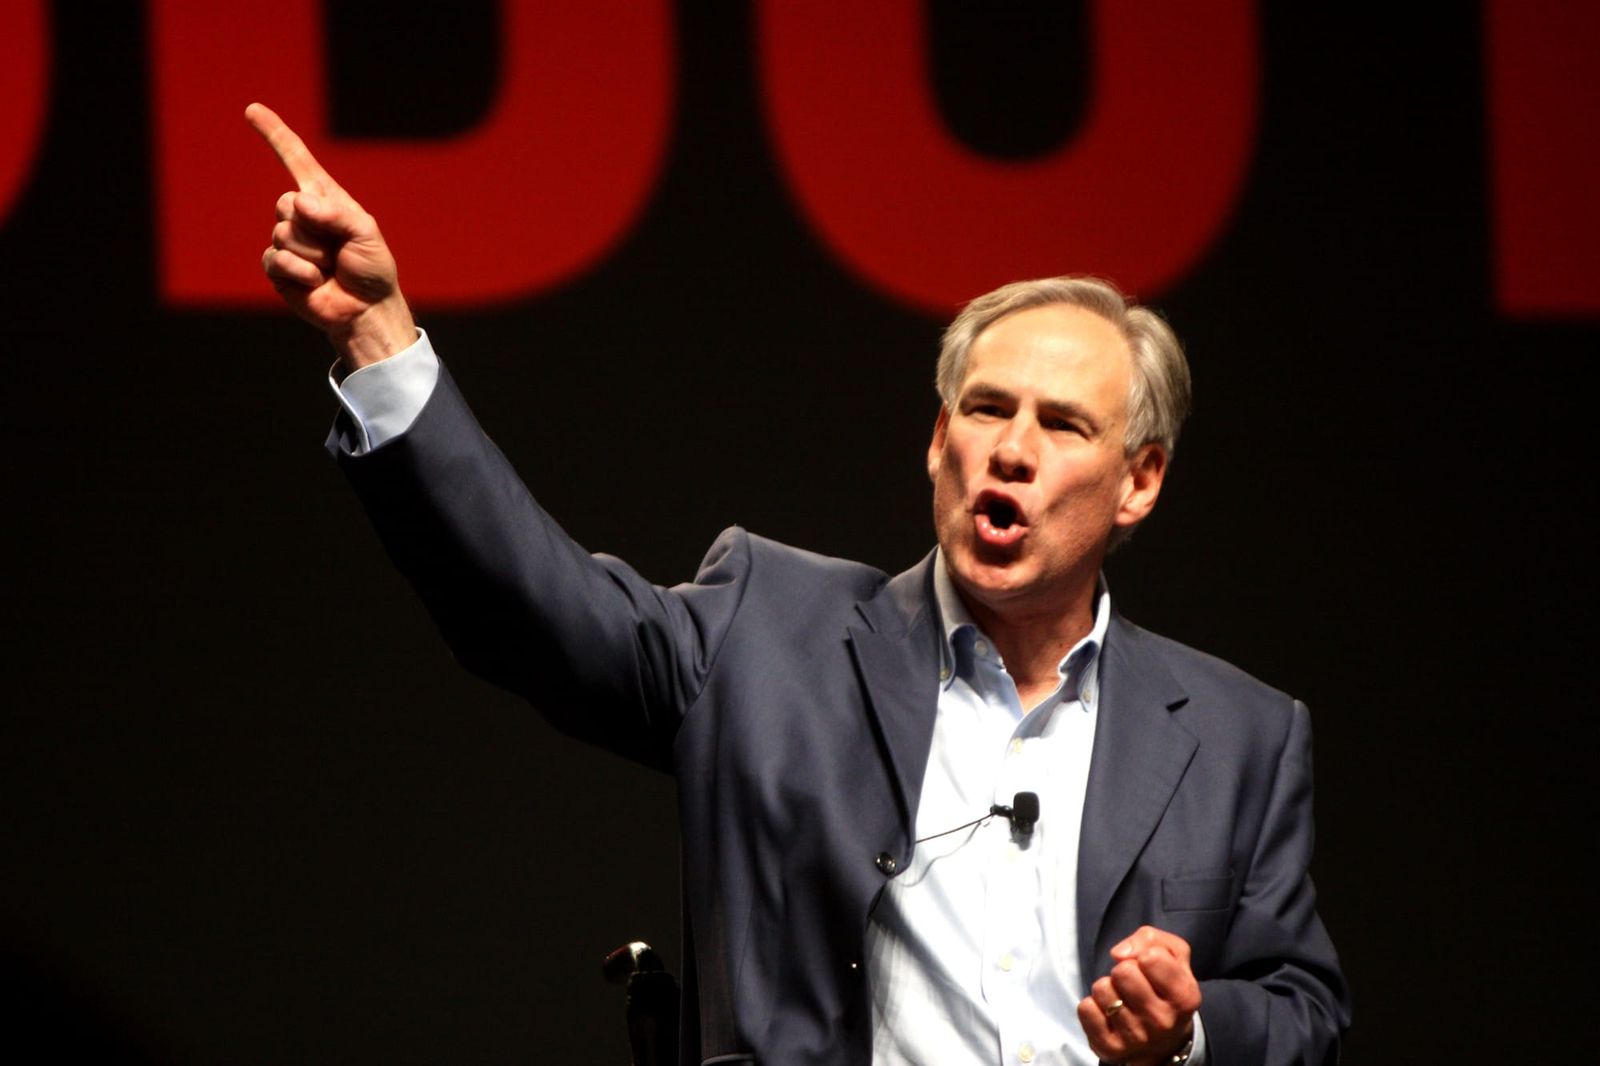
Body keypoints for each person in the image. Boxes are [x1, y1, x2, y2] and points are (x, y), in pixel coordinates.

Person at [247, 103, 1349, 1066]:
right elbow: (535, 608)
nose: (1009, 449)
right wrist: (384, 345)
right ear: (936, 440)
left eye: (1061, 425)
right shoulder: (767, 630)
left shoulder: (1240, 734)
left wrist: (1191, 1030)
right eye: (984, 408)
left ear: (1137, 482)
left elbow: (1304, 1012)